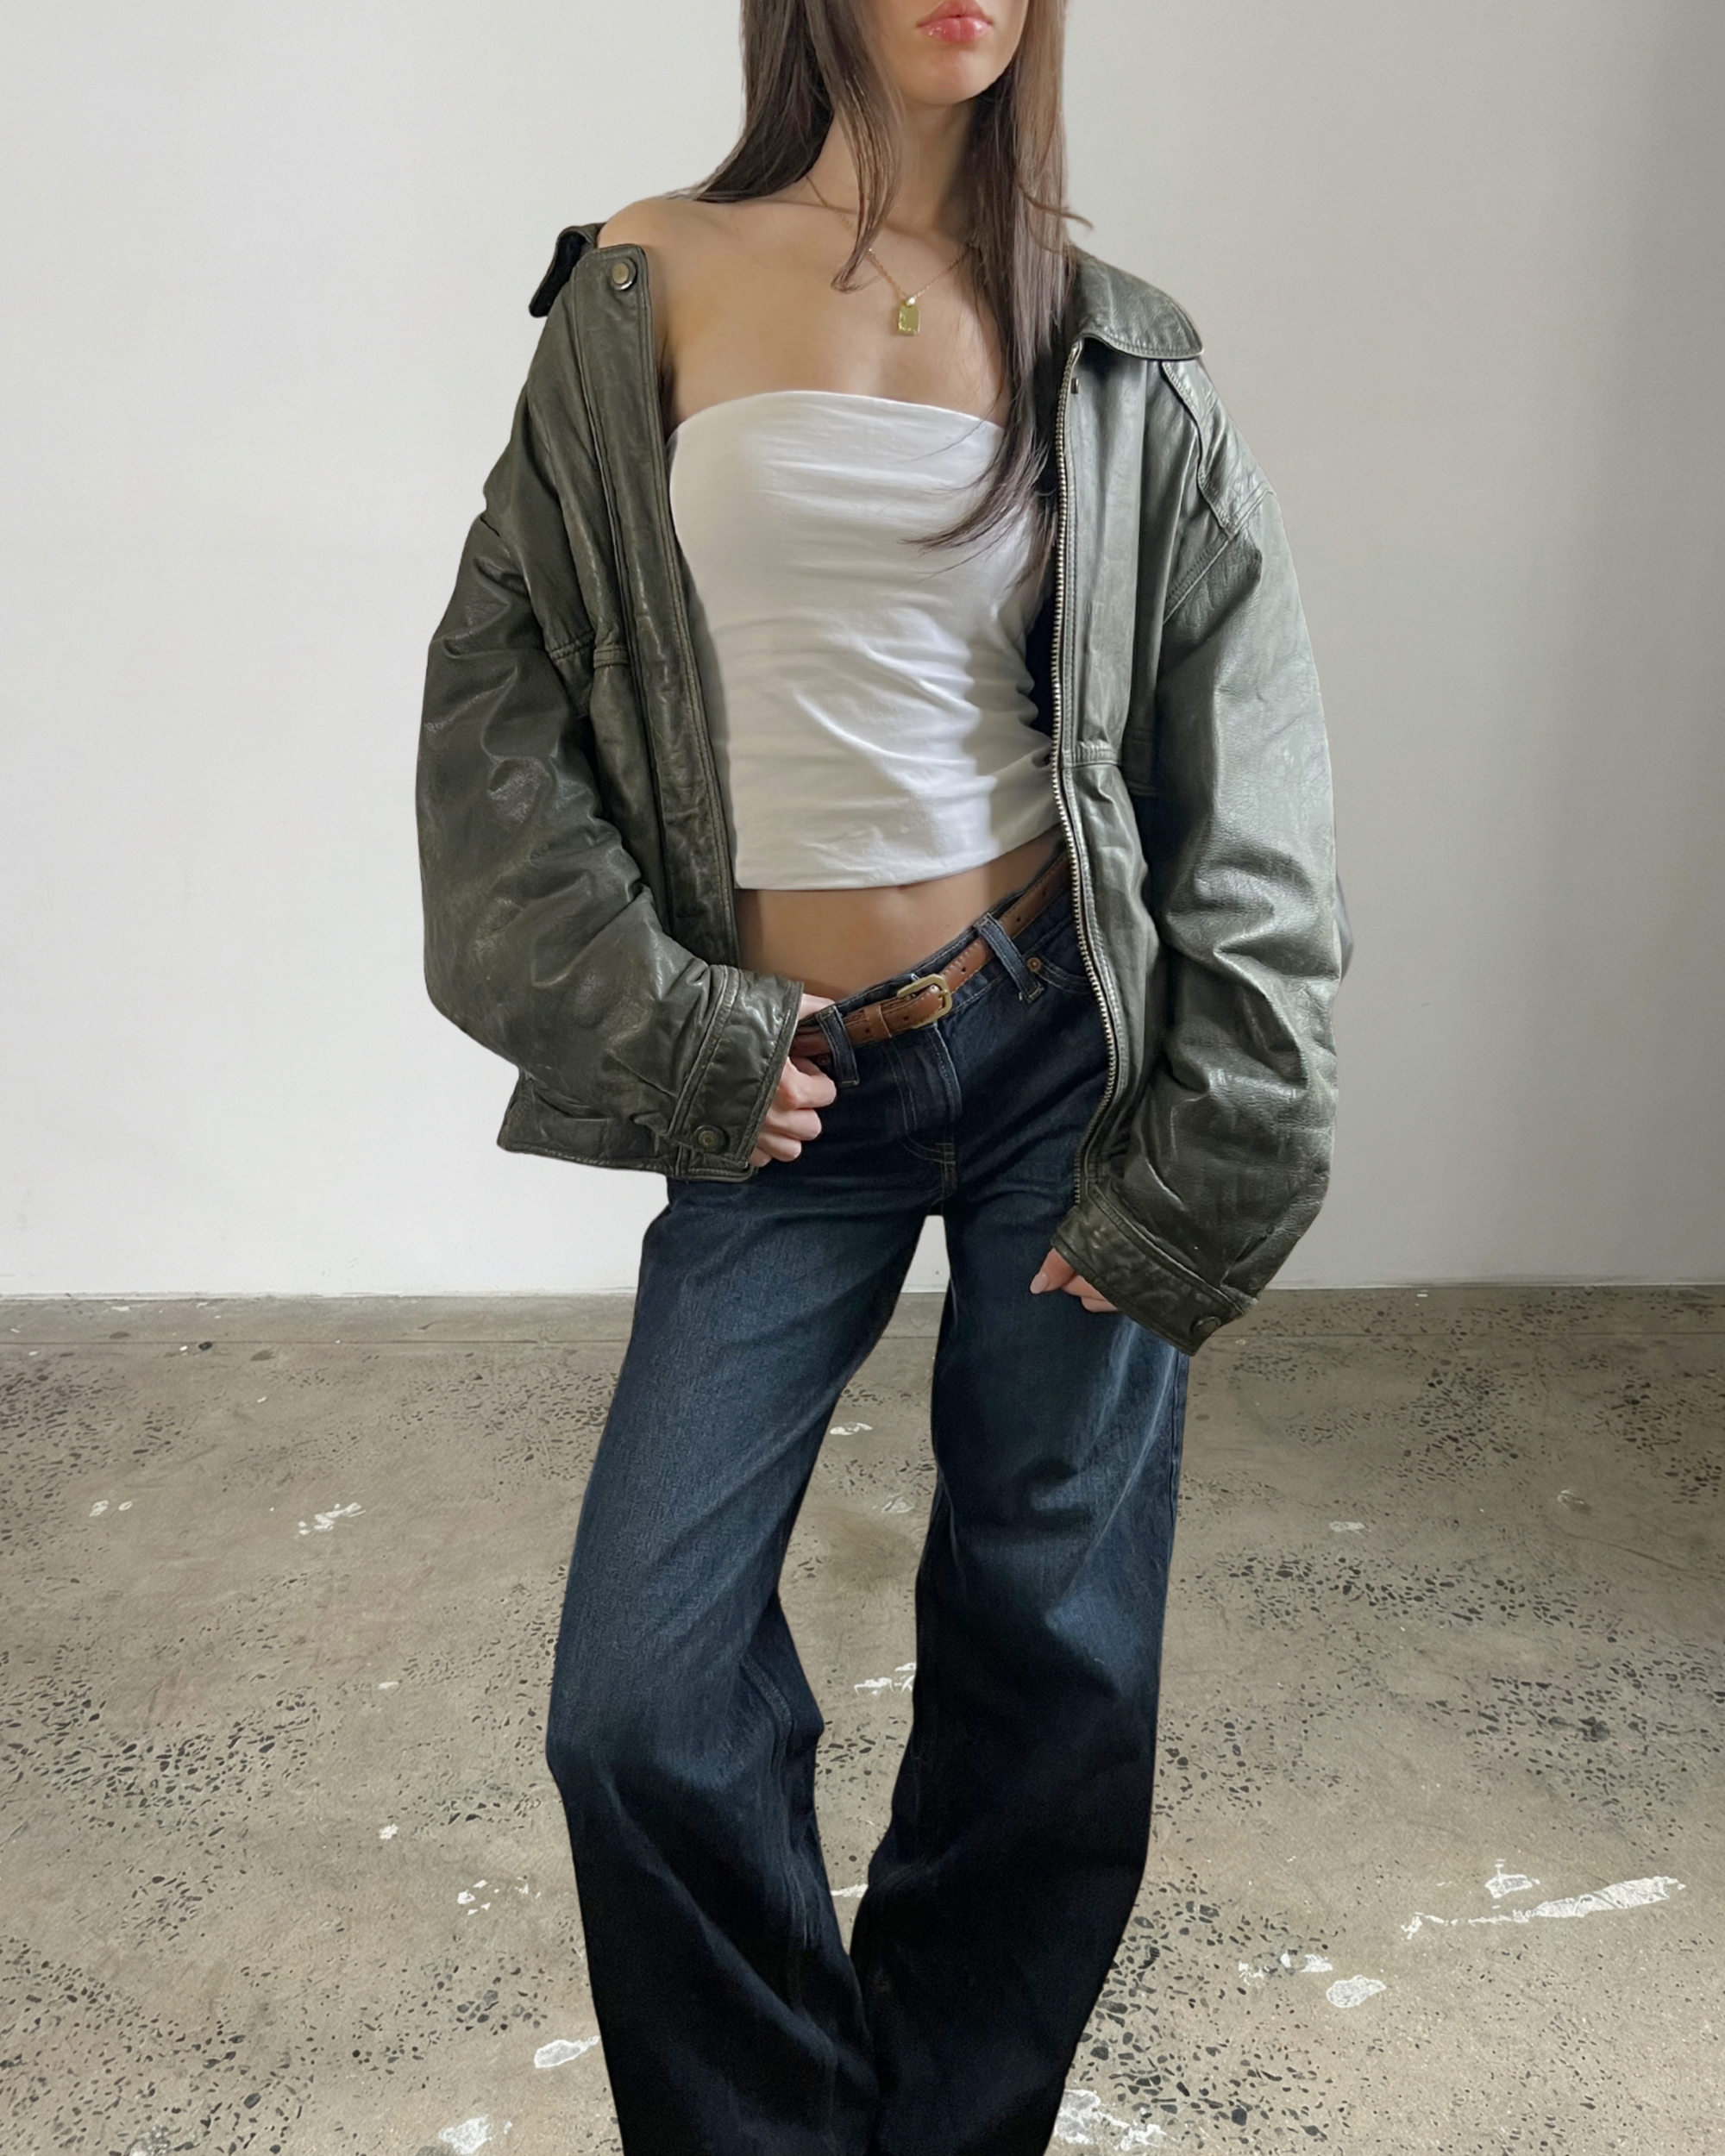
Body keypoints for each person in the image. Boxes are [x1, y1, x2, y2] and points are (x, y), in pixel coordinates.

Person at [415, 1, 1341, 2147]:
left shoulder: (1113, 347)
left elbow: (1252, 775)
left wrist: (1215, 1140)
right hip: (780, 1085)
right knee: (636, 1701)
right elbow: (495, 722)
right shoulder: (643, 283)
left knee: (1051, 1652)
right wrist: (665, 1027)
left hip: (1055, 1049)